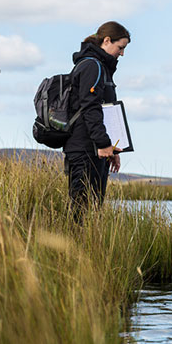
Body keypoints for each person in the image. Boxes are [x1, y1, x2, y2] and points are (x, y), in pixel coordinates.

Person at [63, 21, 130, 221]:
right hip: (84, 149)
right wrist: (102, 143)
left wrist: (112, 148)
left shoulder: (102, 67)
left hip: (97, 150)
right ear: (107, 40)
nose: (122, 53)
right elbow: (90, 107)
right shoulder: (92, 66)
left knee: (92, 212)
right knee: (81, 212)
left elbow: (106, 110)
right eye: (121, 48)